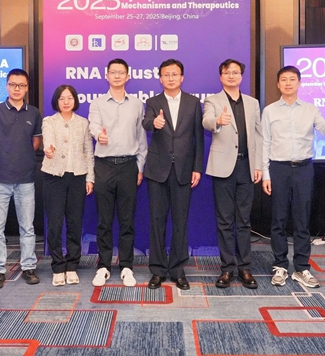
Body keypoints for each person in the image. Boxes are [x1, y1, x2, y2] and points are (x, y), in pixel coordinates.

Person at [262, 65, 325, 289]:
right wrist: (266, 174)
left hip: (304, 168)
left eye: (292, 79)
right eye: (284, 79)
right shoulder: (269, 111)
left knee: (302, 219)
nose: (288, 83)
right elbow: (265, 143)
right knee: (278, 219)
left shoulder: (310, 109)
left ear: (299, 83)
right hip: (278, 168)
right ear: (278, 84)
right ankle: (280, 266)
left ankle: (301, 268)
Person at [0, 68, 42, 290]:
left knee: (27, 227)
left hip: (25, 179)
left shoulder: (34, 113)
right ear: (7, 86)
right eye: (13, 84)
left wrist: (22, 155)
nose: (17, 89)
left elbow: (36, 142)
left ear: (27, 88)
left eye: (21, 85)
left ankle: (28, 267)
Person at [143, 59, 204, 290]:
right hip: (157, 170)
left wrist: (197, 167)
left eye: (175, 74)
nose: (170, 78)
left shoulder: (193, 102)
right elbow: (146, 123)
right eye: (166, 75)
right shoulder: (153, 102)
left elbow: (198, 138)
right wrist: (155, 123)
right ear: (160, 78)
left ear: (182, 77)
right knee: (157, 221)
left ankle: (178, 270)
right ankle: (158, 270)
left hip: (184, 170)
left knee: (180, 221)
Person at [203, 59, 263, 289]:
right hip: (223, 168)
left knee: (244, 221)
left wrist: (258, 165)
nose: (231, 76)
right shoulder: (212, 100)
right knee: (225, 221)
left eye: (235, 72)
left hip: (246, 166)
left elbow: (258, 135)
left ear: (241, 76)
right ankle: (227, 268)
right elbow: (206, 121)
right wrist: (218, 121)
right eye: (227, 72)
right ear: (221, 76)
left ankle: (245, 268)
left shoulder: (252, 103)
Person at [88, 58, 147, 287]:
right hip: (104, 165)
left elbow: (141, 138)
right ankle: (103, 266)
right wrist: (99, 136)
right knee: (104, 220)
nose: (117, 76)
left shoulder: (137, 104)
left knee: (127, 220)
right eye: (113, 72)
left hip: (128, 166)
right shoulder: (97, 103)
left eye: (121, 72)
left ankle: (126, 267)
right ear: (107, 75)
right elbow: (94, 125)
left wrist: (140, 167)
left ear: (128, 76)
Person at [41, 85, 94, 286]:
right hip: (54, 178)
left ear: (75, 100)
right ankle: (57, 266)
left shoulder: (83, 123)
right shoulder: (49, 121)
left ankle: (72, 266)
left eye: (69, 98)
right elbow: (48, 140)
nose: (66, 102)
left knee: (74, 223)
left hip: (77, 177)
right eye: (62, 98)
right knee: (54, 224)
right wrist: (49, 150)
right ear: (56, 101)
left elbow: (88, 152)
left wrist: (90, 178)